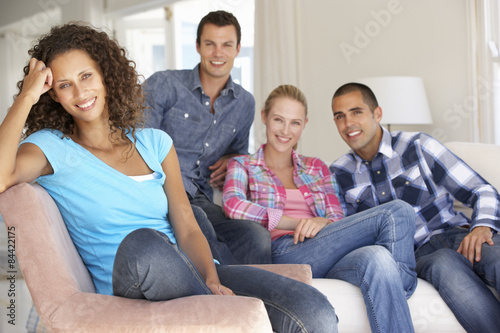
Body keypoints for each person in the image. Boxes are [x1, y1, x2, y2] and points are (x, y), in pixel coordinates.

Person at [0, 23, 339, 333]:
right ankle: (222, 314)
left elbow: (188, 226)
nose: (79, 92)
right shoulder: (49, 148)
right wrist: (26, 96)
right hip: (134, 276)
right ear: (53, 94)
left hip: (189, 271)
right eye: (64, 85)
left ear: (104, 76)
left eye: (86, 76)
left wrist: (210, 278)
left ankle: (216, 309)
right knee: (145, 244)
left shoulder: (155, 143)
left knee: (314, 309)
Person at [222, 84, 418, 333]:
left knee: (378, 258)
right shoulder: (243, 165)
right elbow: (233, 205)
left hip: (326, 249)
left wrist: (321, 223)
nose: (285, 130)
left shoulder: (316, 167)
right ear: (264, 118)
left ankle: (395, 282)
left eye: (294, 123)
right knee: (397, 211)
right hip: (284, 251)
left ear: (304, 124)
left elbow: (336, 216)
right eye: (278, 120)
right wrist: (294, 223)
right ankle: (403, 284)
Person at [330, 82, 500, 333]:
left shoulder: (418, 146)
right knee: (444, 266)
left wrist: (482, 227)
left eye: (356, 112)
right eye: (339, 116)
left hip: (458, 235)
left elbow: (481, 190)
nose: (348, 124)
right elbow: (344, 233)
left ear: (377, 114)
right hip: (419, 256)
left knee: (496, 257)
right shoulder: (338, 173)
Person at [142, 10, 270, 265]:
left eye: (226, 45)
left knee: (257, 238)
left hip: (201, 199)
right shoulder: (164, 84)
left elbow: (239, 152)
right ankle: (225, 296)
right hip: (160, 194)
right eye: (210, 44)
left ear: (238, 49)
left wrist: (233, 159)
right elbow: (136, 144)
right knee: (202, 231)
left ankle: (251, 299)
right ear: (198, 46)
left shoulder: (244, 103)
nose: (218, 53)